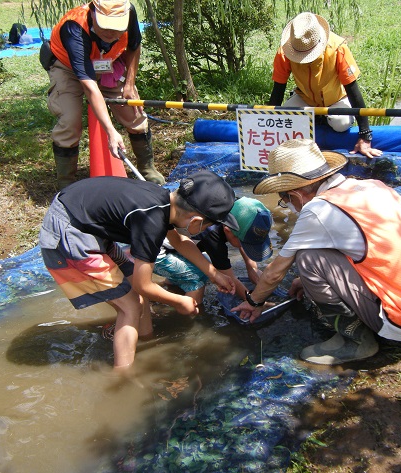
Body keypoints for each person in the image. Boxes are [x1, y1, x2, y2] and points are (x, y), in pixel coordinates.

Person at [233, 139, 401, 365]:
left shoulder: (318, 210)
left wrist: (253, 302)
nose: (288, 205)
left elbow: (275, 273)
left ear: (296, 195)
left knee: (308, 258)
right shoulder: (374, 186)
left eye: (285, 199)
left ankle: (356, 341)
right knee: (314, 254)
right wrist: (304, 281)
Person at [38, 171, 238, 369]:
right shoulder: (151, 222)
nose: (205, 232)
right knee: (131, 305)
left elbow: (180, 242)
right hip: (69, 232)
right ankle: (123, 376)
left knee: (138, 299)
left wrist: (214, 274)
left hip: (85, 220)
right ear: (196, 221)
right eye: (207, 227)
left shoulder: (164, 202)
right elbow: (143, 285)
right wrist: (179, 301)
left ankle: (143, 339)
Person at [46, 0, 165, 189]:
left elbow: (134, 45)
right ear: (93, 14)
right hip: (68, 67)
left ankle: (147, 168)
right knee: (70, 120)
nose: (112, 34)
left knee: (133, 113)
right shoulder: (74, 27)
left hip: (108, 63)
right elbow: (90, 87)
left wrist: (129, 83)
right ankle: (66, 184)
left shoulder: (129, 12)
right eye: (106, 27)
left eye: (117, 28)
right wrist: (111, 132)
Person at [269, 12, 383, 159]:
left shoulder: (337, 49)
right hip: (306, 97)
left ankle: (322, 118)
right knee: (284, 120)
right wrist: (270, 125)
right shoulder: (284, 53)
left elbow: (353, 90)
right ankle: (317, 117)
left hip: (336, 98)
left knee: (340, 124)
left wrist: (365, 135)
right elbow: (278, 90)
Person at [154, 197, 273, 304]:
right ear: (227, 230)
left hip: (179, 243)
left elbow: (241, 237)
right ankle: (190, 314)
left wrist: (251, 268)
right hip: (157, 249)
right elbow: (230, 279)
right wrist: (254, 302)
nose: (246, 246)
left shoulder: (237, 208)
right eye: (246, 243)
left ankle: (169, 285)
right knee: (197, 278)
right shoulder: (213, 236)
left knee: (202, 263)